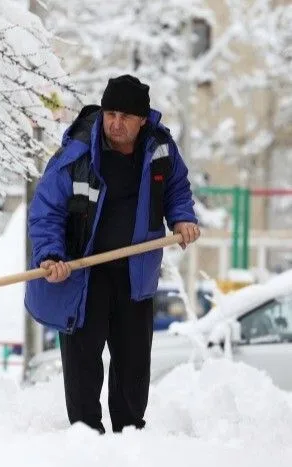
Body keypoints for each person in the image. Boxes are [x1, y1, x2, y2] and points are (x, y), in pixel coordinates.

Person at [24, 75, 200, 434]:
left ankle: (130, 438)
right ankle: (86, 439)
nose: (115, 123)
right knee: (83, 364)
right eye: (110, 113)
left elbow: (177, 189)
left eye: (124, 116)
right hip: (84, 275)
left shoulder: (160, 148)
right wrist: (50, 256)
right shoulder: (77, 154)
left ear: (142, 120)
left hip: (136, 274)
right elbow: (46, 210)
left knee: (133, 364)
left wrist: (182, 218)